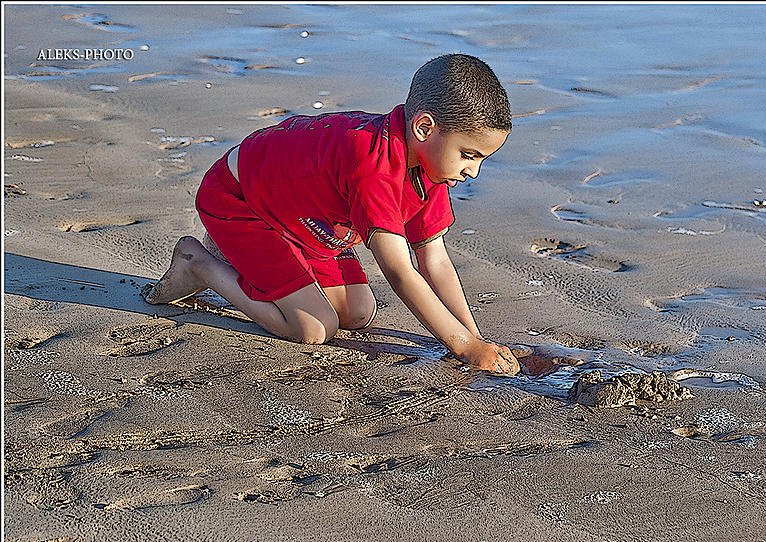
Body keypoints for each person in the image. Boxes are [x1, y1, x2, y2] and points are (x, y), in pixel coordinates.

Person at [143, 53, 520, 375]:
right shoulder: (371, 166)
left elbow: (433, 261)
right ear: (424, 128)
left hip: (306, 224)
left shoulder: (432, 168)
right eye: (469, 155)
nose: (472, 171)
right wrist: (463, 347)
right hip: (240, 201)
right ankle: (200, 264)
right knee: (313, 328)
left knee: (358, 312)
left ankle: (241, 258)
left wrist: (474, 338)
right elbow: (401, 272)